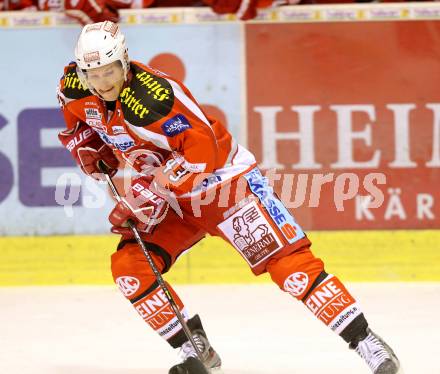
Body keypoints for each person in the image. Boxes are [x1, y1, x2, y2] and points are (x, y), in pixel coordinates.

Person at [57, 21, 403, 374]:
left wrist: (150, 191)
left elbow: (202, 151)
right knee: (130, 268)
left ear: (125, 61)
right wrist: (85, 142)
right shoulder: (74, 84)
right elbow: (75, 115)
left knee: (290, 269)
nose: (103, 82)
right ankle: (194, 348)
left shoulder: (151, 99)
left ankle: (367, 342)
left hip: (223, 185)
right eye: (93, 74)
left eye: (110, 70)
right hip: (175, 199)